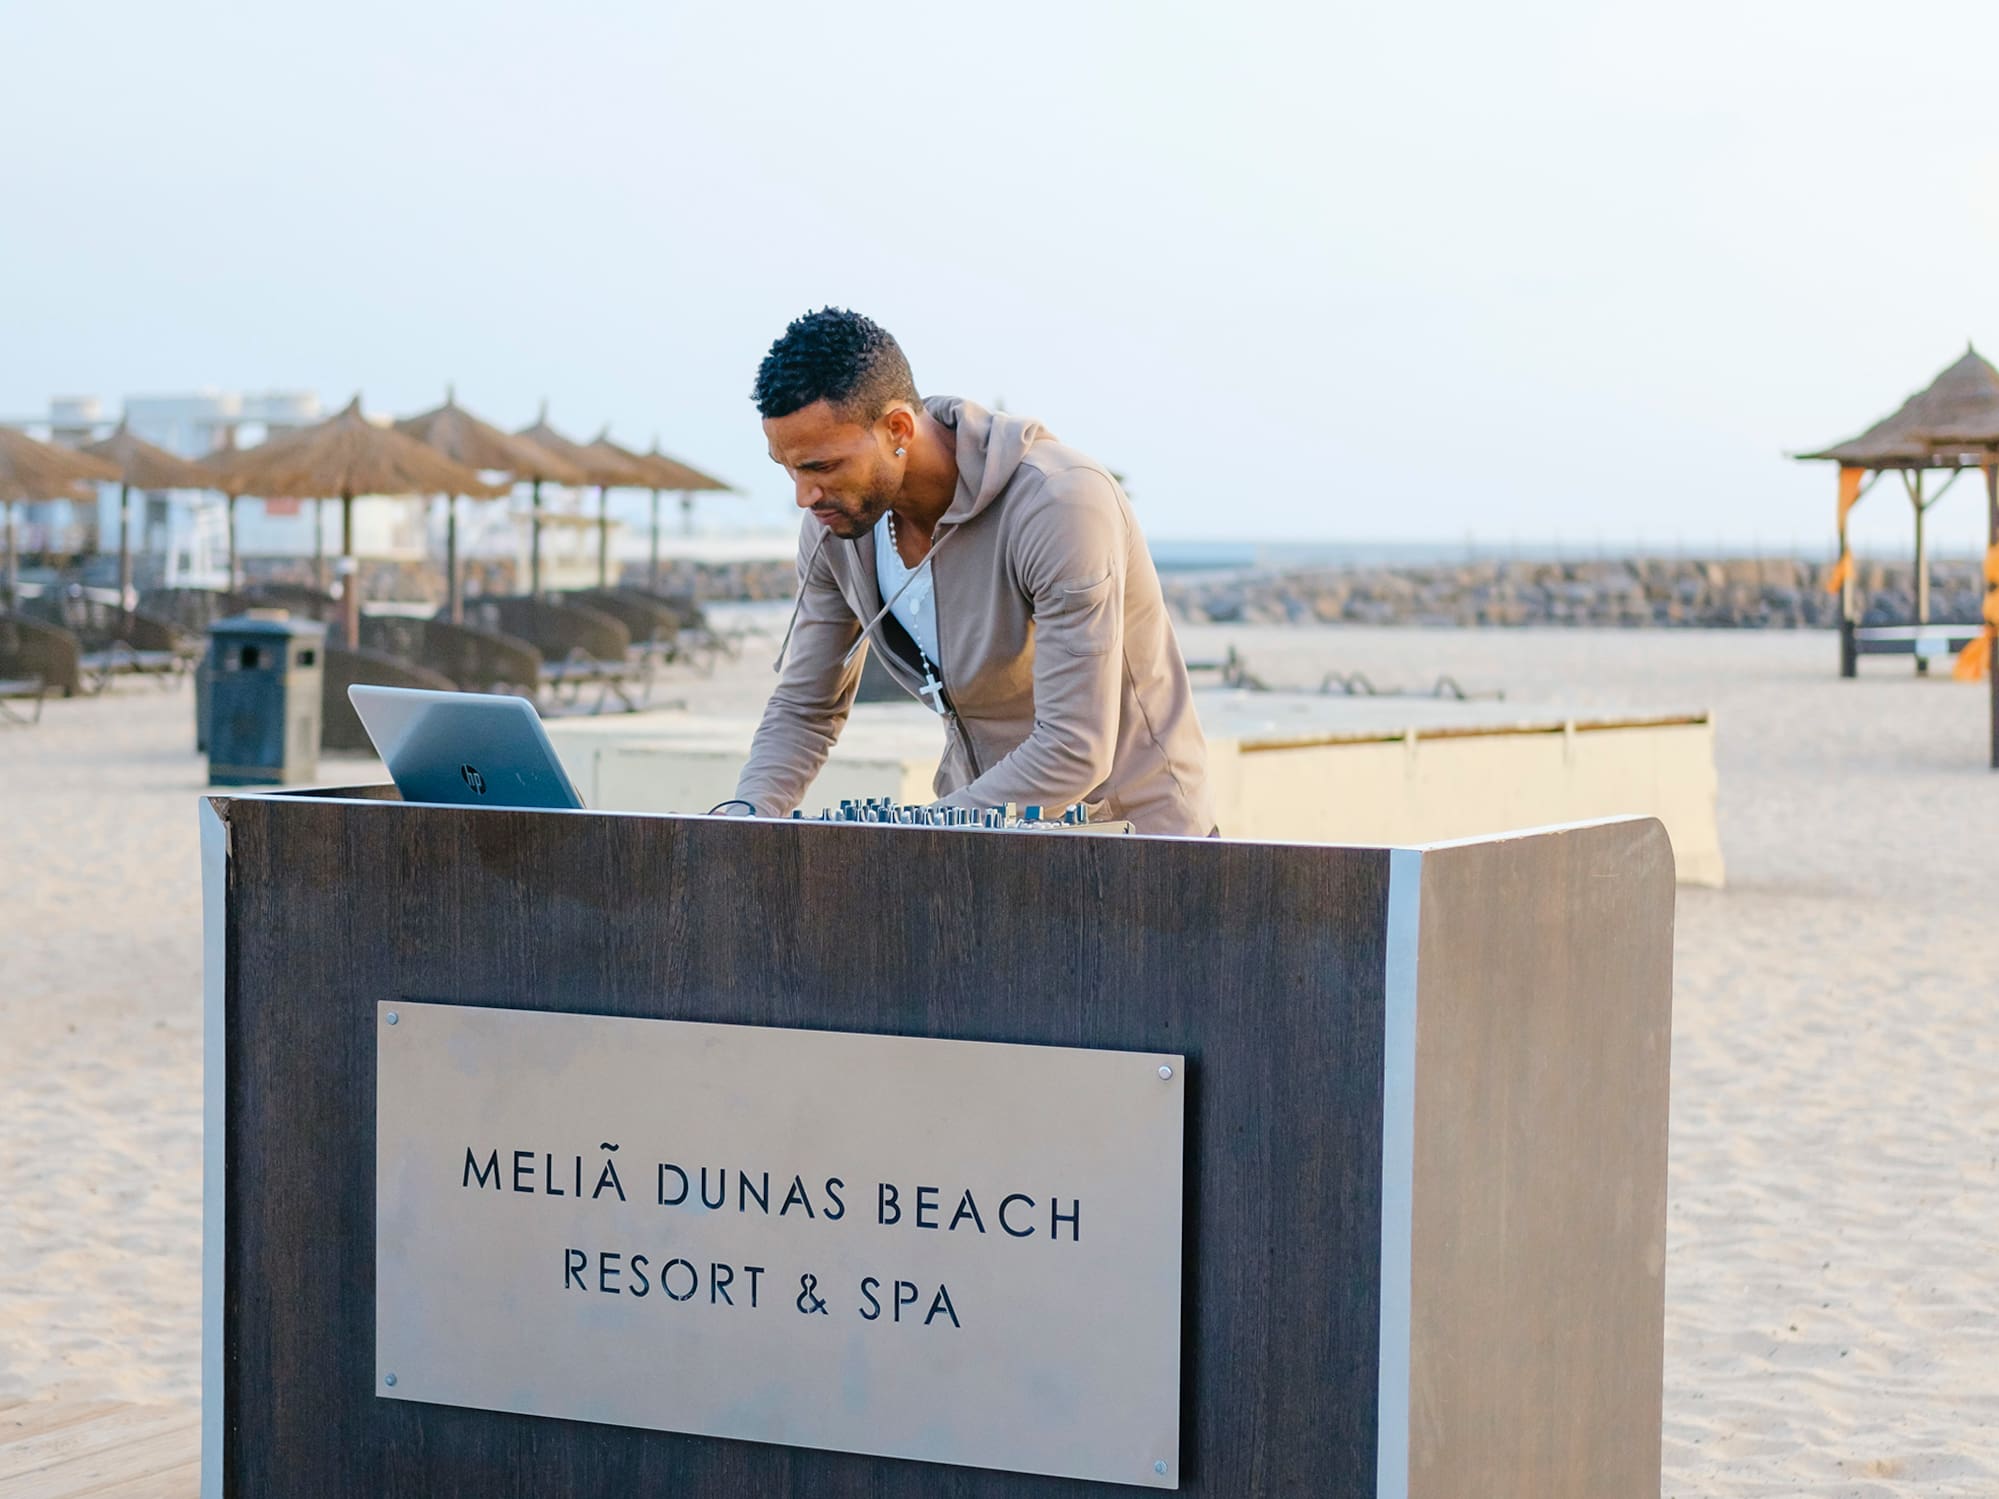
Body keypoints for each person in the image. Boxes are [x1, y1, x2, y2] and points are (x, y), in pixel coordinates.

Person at [732, 308, 1214, 836]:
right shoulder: (838, 527)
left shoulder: (1059, 505)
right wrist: (743, 817)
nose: (804, 496)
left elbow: (1074, 747)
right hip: (980, 841)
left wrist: (921, 834)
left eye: (820, 467)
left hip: (1138, 846)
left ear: (897, 428)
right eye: (787, 467)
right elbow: (806, 707)